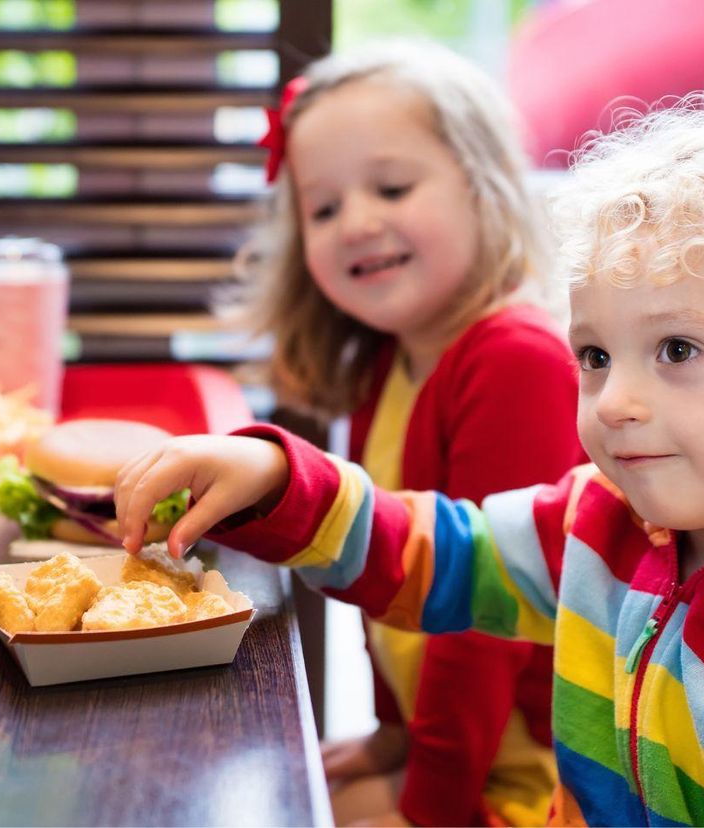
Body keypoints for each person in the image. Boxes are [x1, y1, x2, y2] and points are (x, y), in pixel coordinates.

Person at [117, 79, 704, 825]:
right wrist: (275, 479)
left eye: (676, 349)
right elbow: (437, 555)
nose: (616, 402)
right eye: (596, 358)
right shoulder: (599, 525)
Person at [235, 41, 583, 826]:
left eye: (391, 187)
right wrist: (396, 736)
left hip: (538, 779)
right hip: (461, 752)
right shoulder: (387, 362)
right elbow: (385, 575)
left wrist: (432, 804)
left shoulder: (516, 361)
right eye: (322, 207)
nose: (356, 221)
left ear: (482, 187)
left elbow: (480, 621)